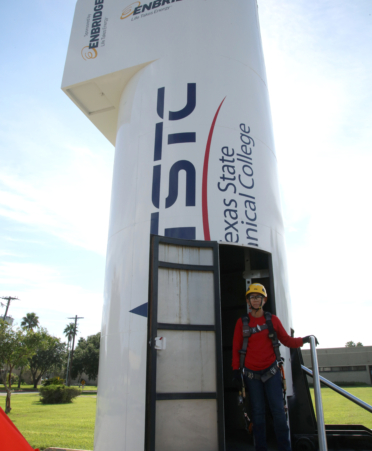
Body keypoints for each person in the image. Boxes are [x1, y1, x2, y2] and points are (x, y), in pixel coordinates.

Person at [232, 283, 317, 451]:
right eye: (252, 297)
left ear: (264, 300)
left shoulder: (272, 320)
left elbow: (287, 340)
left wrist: (305, 340)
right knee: (258, 413)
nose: (255, 300)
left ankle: (285, 448)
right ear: (248, 301)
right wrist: (236, 371)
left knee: (278, 412)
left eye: (258, 297)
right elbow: (236, 348)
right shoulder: (242, 323)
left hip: (271, 372)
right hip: (251, 375)